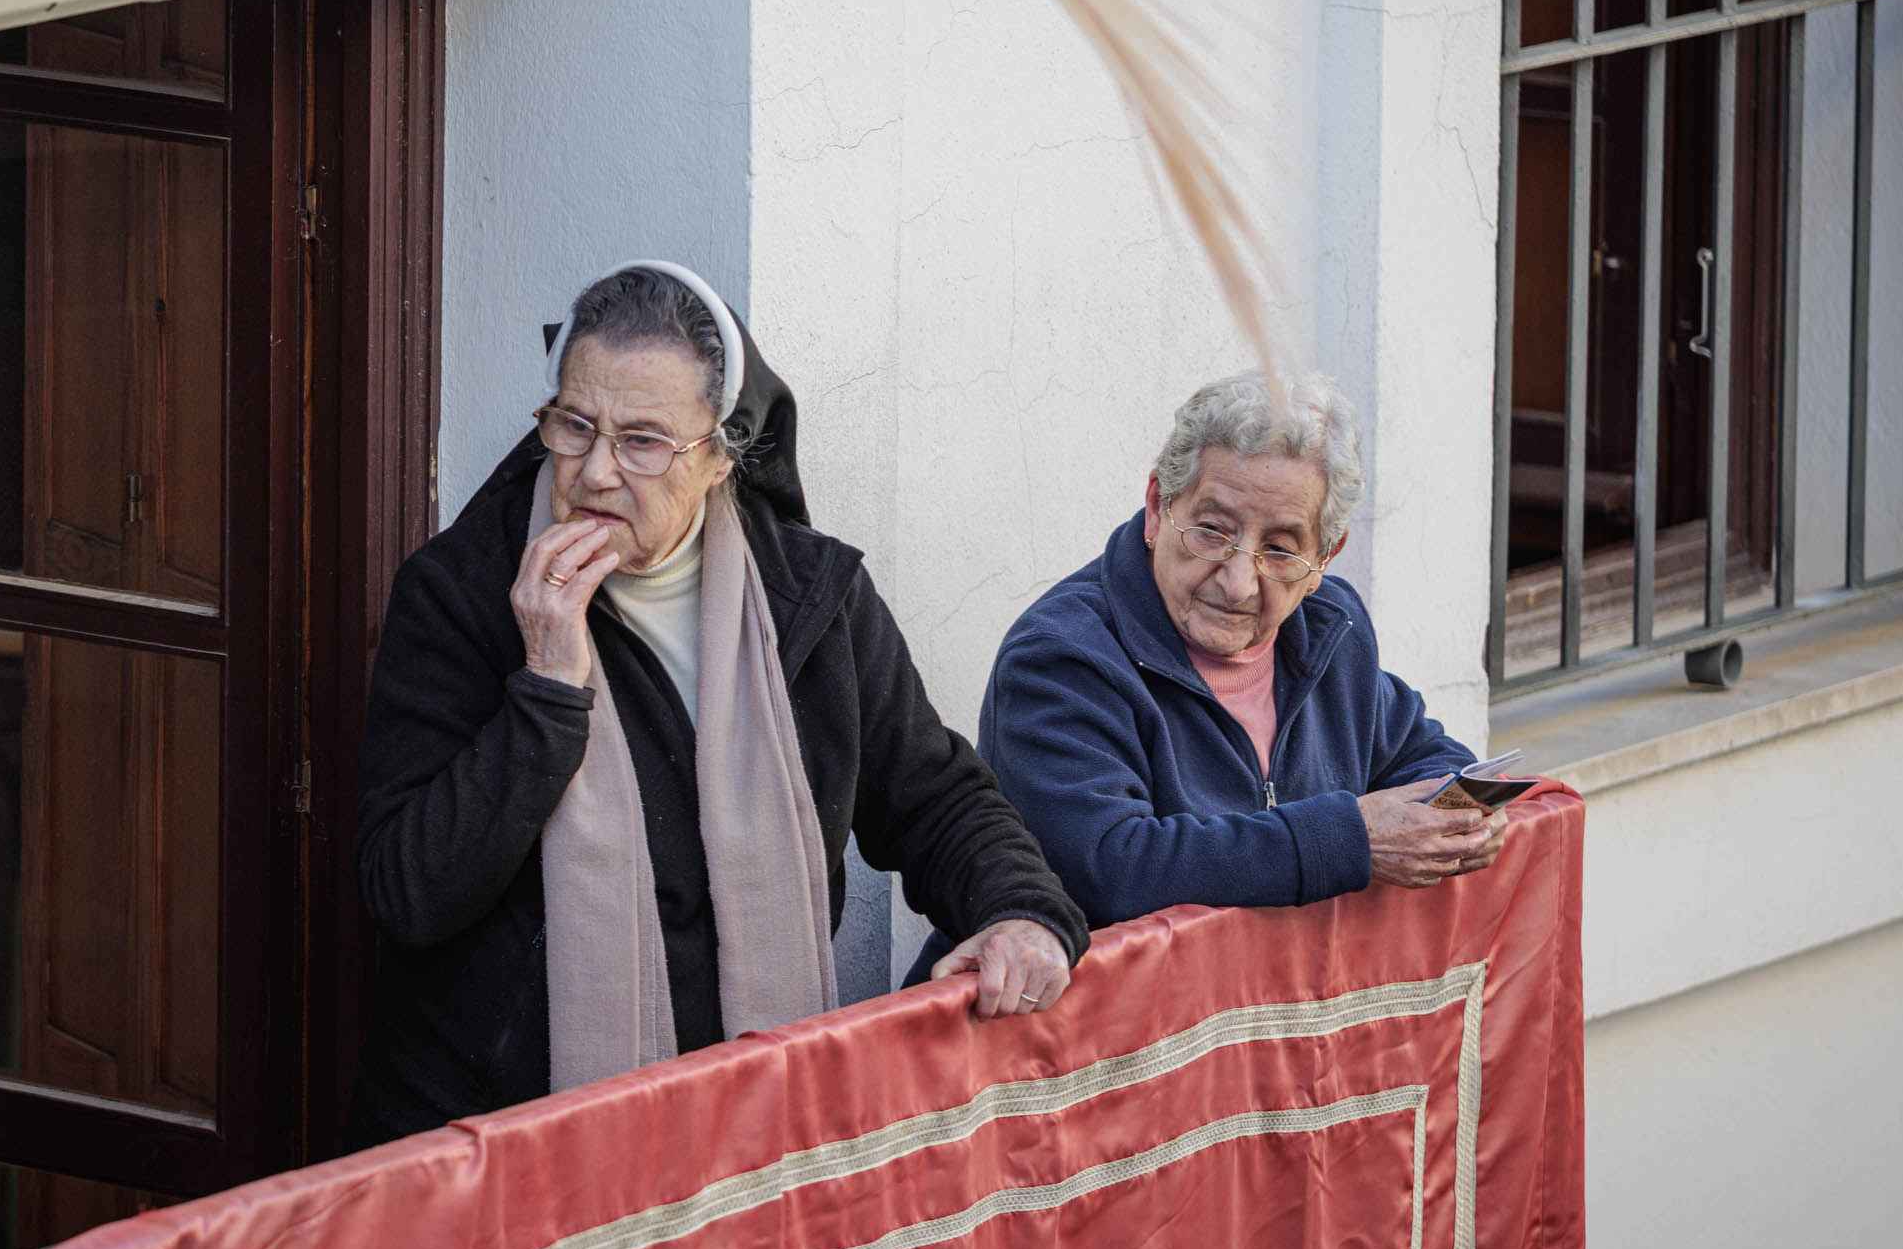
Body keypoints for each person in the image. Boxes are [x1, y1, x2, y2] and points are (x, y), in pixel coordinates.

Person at [349, 261, 1090, 1144]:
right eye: (574, 425)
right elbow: (406, 890)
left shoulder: (811, 598)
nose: (592, 470)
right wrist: (547, 686)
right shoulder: (462, 595)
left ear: (719, 455)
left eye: (642, 441)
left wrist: (1022, 913)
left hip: (751, 1137)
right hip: (504, 1143)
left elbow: (933, 796)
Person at [977, 369, 1504, 933]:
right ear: (1158, 506)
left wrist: (1454, 821)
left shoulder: (1328, 628)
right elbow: (1109, 868)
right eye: (1212, 531)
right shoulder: (1062, 657)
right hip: (1094, 1014)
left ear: (1326, 557)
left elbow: (1425, 755)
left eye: (1279, 550)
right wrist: (1348, 841)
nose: (1238, 582)